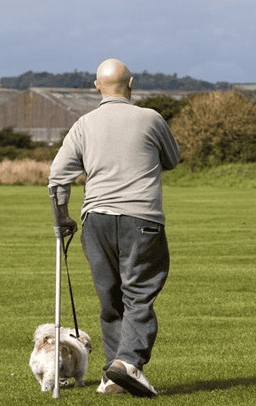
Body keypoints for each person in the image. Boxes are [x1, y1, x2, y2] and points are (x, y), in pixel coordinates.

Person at [48, 58, 180, 397]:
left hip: (96, 219)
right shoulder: (151, 118)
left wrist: (62, 215)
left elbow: (58, 175)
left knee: (110, 298)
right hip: (142, 218)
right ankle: (128, 363)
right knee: (139, 293)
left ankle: (114, 374)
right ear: (131, 83)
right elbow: (172, 159)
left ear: (96, 86)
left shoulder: (83, 124)